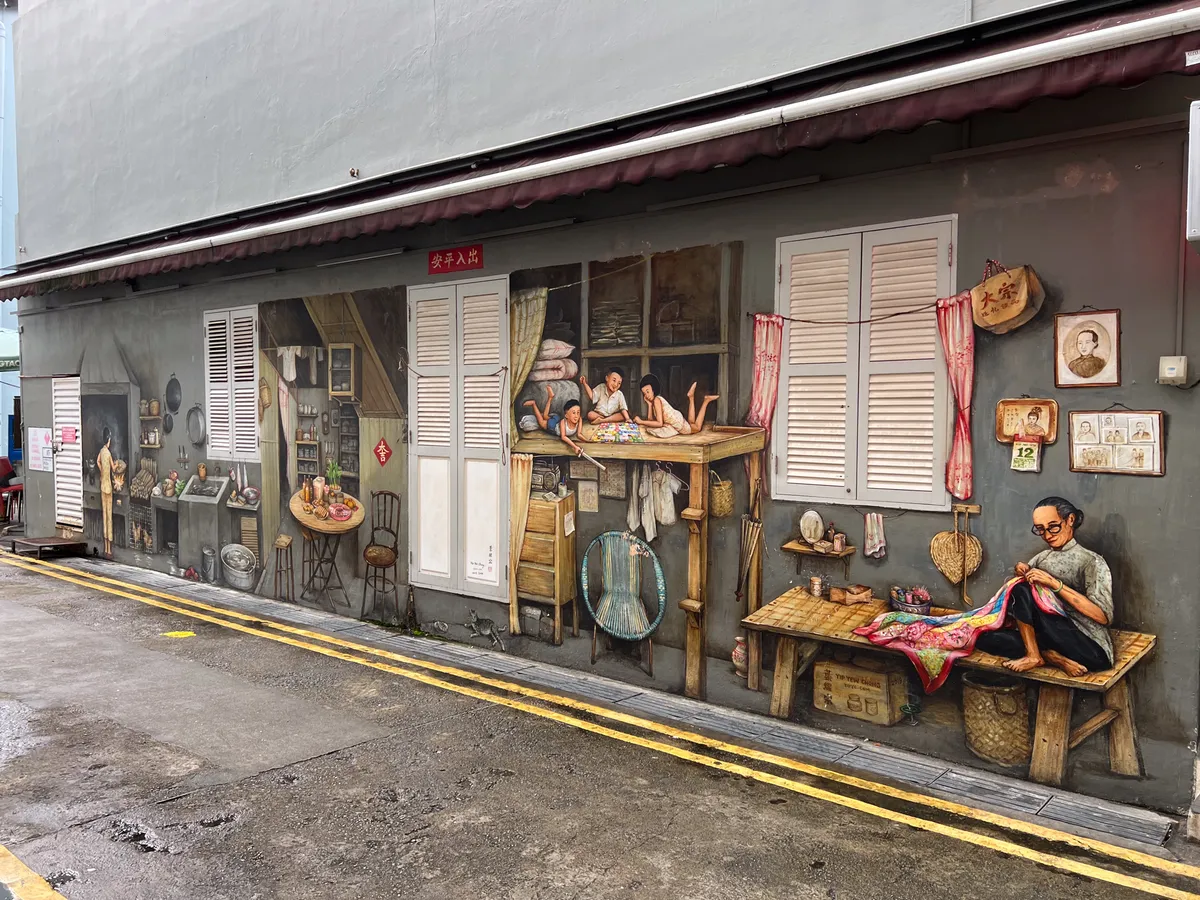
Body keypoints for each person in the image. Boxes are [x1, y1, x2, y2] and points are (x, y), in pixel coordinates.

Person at [975, 497, 1113, 677]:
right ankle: (1052, 657)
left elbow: (1103, 616)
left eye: (1053, 527)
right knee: (983, 638)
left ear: (1070, 520)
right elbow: (1024, 603)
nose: (1047, 535)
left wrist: (1054, 584)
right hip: (1049, 638)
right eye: (1040, 529)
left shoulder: (1091, 561)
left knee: (1021, 590)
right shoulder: (1042, 558)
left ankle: (1035, 654)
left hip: (1088, 645)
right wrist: (1022, 573)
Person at [634, 375, 718, 439]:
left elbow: (659, 423)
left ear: (653, 389)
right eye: (644, 393)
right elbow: (651, 421)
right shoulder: (656, 401)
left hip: (678, 423)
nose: (646, 395)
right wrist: (649, 405)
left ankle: (706, 401)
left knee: (697, 428)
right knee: (691, 422)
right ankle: (691, 397)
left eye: (647, 392)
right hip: (677, 418)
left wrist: (641, 422)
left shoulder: (657, 400)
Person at [523, 386, 585, 457]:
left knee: (545, 416)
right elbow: (563, 437)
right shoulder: (563, 422)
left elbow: (579, 434)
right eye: (573, 413)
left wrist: (588, 441)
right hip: (553, 426)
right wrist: (575, 446)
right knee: (542, 422)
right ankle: (534, 404)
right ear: (566, 415)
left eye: (578, 412)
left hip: (556, 419)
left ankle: (550, 397)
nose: (576, 416)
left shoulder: (579, 419)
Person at [97, 427, 114, 558]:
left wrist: (101, 469)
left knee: (104, 515)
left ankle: (105, 547)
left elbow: (97, 461)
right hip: (108, 487)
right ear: (108, 440)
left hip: (102, 485)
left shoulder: (101, 451)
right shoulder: (108, 453)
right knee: (109, 517)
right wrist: (117, 465)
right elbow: (114, 468)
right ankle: (109, 551)